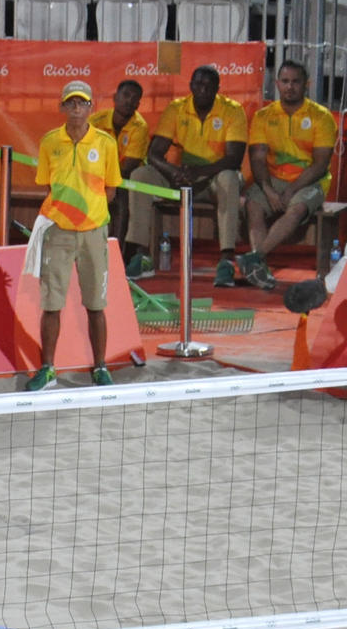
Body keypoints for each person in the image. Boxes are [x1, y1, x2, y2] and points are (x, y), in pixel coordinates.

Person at [26, 79, 121, 392]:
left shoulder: (106, 143)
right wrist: (67, 214)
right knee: (51, 303)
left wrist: (89, 215)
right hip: (58, 232)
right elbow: (48, 185)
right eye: (71, 102)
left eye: (82, 102)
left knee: (96, 304)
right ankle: (48, 369)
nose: (77, 108)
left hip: (93, 233)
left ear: (92, 107)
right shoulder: (50, 142)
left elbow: (111, 189)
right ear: (62, 107)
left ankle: (100, 367)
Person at [125, 65, 246, 289]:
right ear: (190, 86)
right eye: (198, 84)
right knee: (140, 175)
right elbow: (154, 154)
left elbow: (234, 159)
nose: (203, 90)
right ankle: (141, 255)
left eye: (209, 86)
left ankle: (226, 260)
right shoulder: (176, 108)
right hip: (182, 177)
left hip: (213, 179)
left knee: (230, 178)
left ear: (217, 88)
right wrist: (174, 172)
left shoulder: (233, 110)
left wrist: (200, 173)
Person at [235, 60, 337, 293]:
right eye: (285, 81)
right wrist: (268, 190)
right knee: (253, 205)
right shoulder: (263, 116)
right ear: (277, 83)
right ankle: (259, 268)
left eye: (295, 82)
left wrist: (291, 190)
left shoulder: (322, 117)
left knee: (297, 208)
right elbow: (258, 159)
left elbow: (320, 164)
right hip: (273, 179)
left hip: (310, 181)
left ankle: (255, 257)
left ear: (306, 84)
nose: (290, 87)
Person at [91, 79, 151, 270]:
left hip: (124, 180)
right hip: (95, 176)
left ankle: (117, 256)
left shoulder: (140, 126)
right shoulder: (95, 122)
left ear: (138, 104)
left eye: (134, 98)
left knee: (122, 196)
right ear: (115, 97)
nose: (129, 101)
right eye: (125, 95)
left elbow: (129, 166)